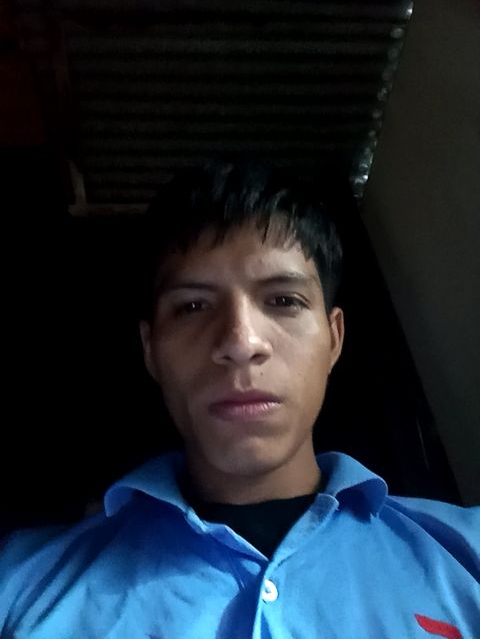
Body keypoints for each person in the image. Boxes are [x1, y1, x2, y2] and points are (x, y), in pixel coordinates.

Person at [1, 163, 478, 638]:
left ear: (334, 339)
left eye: (284, 301)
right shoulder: (19, 581)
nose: (241, 342)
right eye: (192, 306)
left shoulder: (467, 553)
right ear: (150, 351)